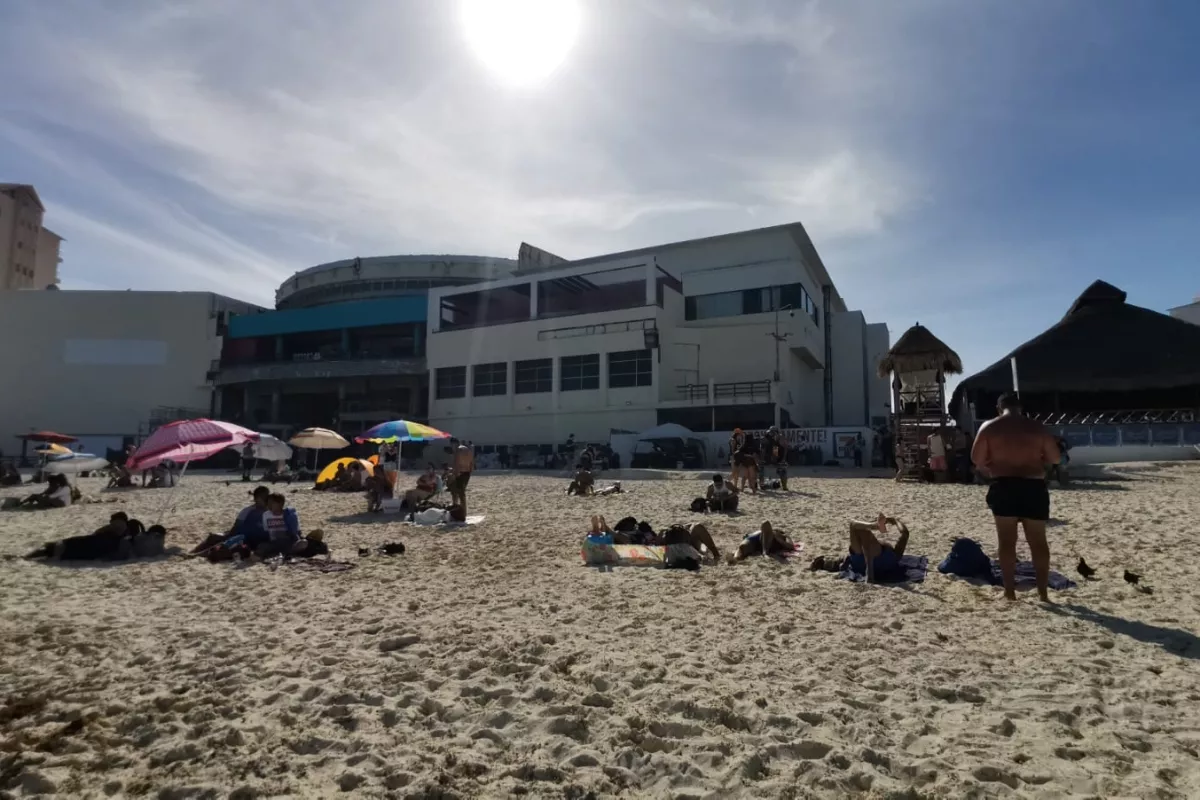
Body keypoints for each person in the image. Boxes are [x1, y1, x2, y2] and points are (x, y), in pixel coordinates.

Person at [971, 393, 1059, 602]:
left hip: (1004, 486)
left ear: (998, 408)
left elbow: (976, 459)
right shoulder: (1037, 427)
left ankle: (1009, 591)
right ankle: (1043, 593)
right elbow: (1055, 458)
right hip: (1033, 486)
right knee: (1038, 542)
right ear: (1020, 407)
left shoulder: (989, 427)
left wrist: (994, 462)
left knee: (1007, 541)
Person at [190, 486, 270, 555]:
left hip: (253, 540)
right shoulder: (247, 511)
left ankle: (198, 554)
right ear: (256, 498)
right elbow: (236, 527)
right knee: (213, 537)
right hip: (242, 536)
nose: (264, 500)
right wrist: (228, 536)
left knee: (224, 542)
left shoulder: (271, 511)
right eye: (262, 497)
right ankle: (194, 552)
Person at [26, 512, 133, 560]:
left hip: (88, 544)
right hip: (92, 550)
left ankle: (27, 557)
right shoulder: (122, 536)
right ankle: (30, 556)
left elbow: (97, 532)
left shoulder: (118, 526)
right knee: (60, 548)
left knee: (57, 547)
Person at [847, 514, 910, 583]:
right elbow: (905, 533)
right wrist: (895, 521)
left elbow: (905, 533)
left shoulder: (892, 556)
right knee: (858, 528)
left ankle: (873, 526)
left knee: (856, 526)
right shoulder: (895, 556)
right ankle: (873, 525)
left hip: (860, 563)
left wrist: (893, 520)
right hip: (867, 560)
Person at [257, 493, 302, 558]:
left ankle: (289, 551)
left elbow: (296, 531)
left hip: (288, 541)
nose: (268, 505)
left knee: (303, 543)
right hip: (274, 542)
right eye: (268, 503)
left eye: (271, 503)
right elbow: (266, 530)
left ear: (280, 504)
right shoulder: (266, 515)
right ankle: (288, 552)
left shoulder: (289, 515)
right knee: (262, 546)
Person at [450, 439, 475, 515]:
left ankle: (457, 510)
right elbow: (471, 462)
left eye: (452, 445)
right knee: (461, 493)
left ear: (454, 443)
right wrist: (469, 471)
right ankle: (463, 511)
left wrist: (454, 473)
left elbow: (456, 463)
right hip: (467, 473)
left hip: (459, 472)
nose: (452, 447)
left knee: (455, 492)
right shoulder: (467, 449)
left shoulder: (458, 450)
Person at [765, 426, 789, 490]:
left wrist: (783, 458)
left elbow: (785, 448)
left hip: (781, 457)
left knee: (782, 472)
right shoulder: (775, 438)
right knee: (780, 472)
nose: (771, 434)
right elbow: (775, 449)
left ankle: (784, 487)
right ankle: (783, 486)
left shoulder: (781, 438)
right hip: (778, 457)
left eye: (772, 432)